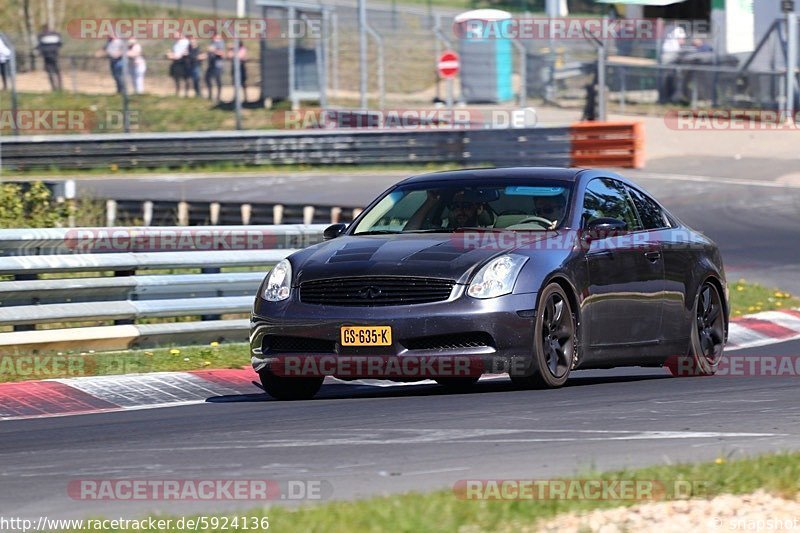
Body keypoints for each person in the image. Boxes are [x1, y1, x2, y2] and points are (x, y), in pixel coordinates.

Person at [36, 25, 63, 91]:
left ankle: (54, 87)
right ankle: (60, 86)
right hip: (54, 54)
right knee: (57, 71)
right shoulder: (56, 34)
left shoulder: (41, 35)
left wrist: (40, 51)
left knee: (49, 71)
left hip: (46, 55)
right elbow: (60, 44)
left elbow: (39, 46)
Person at [167, 32, 190, 96]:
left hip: (183, 61)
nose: (175, 37)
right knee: (176, 77)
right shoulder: (176, 43)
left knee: (185, 78)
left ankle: (186, 93)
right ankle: (177, 92)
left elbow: (184, 52)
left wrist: (177, 55)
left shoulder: (185, 42)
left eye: (176, 35)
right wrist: (171, 54)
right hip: (176, 61)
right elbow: (175, 52)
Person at [204, 34, 225, 102]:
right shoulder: (212, 43)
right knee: (207, 78)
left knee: (217, 80)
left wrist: (214, 50)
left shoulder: (220, 43)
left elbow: (222, 53)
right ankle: (210, 95)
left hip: (218, 65)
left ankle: (218, 97)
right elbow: (208, 53)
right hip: (211, 65)